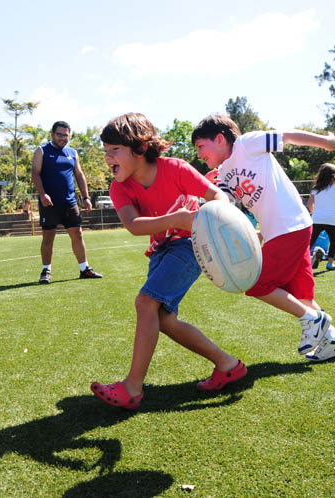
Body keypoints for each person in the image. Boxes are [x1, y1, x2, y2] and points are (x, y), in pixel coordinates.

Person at [90, 113, 246, 410]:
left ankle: (132, 388)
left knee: (145, 303)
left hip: (190, 244)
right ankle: (227, 364)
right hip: (161, 249)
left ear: (138, 147)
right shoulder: (119, 187)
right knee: (162, 319)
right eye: (106, 151)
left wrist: (215, 220)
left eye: (114, 150)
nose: (108, 158)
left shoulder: (174, 168)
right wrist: (176, 218)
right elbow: (134, 225)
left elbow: (217, 196)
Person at [191, 115, 335, 362]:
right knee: (301, 296)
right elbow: (224, 206)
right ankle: (334, 339)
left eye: (201, 146)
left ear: (220, 139)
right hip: (284, 230)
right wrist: (206, 188)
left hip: (289, 227)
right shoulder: (223, 172)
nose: (199, 154)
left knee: (256, 284)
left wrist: (326, 141)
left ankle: (314, 321)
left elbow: (288, 136)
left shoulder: (247, 144)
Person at [31, 121, 102, 284]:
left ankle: (84, 269)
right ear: (52, 134)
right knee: (48, 237)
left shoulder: (72, 153)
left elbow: (80, 175)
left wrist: (86, 197)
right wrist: (43, 195)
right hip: (50, 203)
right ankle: (46, 271)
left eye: (66, 135)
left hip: (70, 202)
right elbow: (35, 173)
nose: (63, 138)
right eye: (60, 134)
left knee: (77, 234)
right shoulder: (42, 151)